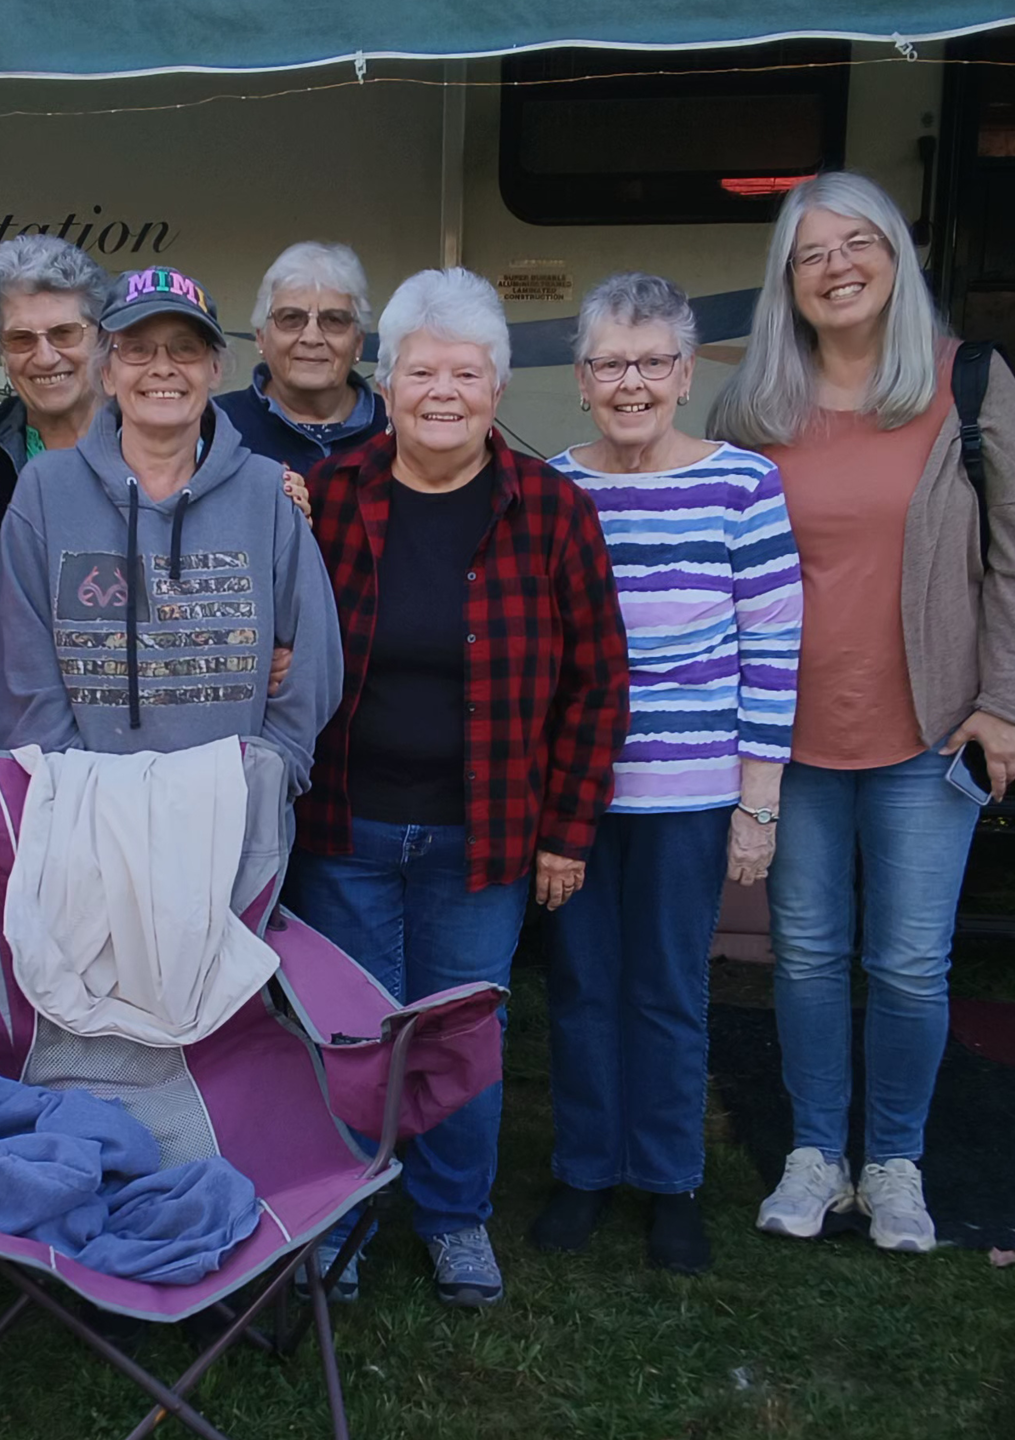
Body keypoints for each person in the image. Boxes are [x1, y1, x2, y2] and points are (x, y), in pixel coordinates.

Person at [707, 171, 1015, 1254]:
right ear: (788, 281)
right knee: (805, 954)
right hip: (788, 739)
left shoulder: (971, 384)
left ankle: (894, 1162)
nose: (837, 266)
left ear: (897, 259)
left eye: (860, 244)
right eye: (812, 253)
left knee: (908, 961)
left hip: (931, 727)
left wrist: (1008, 701)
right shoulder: (751, 407)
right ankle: (816, 1152)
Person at [288, 267, 632, 1309]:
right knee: (351, 1034)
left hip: (484, 836)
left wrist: (567, 832)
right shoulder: (328, 499)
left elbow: (598, 681)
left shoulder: (553, 510)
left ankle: (452, 1218)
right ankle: (343, 1220)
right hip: (344, 826)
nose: (445, 390)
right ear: (385, 383)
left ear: (497, 388)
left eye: (468, 372)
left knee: (460, 1035)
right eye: (423, 369)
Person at [534, 273, 803, 1275]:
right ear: (582, 379)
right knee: (580, 986)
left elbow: (774, 648)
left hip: (691, 795)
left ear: (686, 374)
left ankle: (669, 1178)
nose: (632, 382)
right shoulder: (555, 489)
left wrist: (756, 802)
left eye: (653, 362)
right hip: (581, 798)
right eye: (611, 363)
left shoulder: (744, 485)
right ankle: (584, 1168)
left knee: (669, 992)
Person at [0, 263, 342, 794]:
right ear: (107, 372)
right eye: (137, 349)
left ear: (215, 369)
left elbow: (315, 664)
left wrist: (265, 777)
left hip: (233, 820)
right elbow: (20, 680)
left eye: (184, 348)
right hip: (85, 824)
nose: (162, 367)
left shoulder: (267, 494)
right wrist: (84, 797)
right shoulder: (44, 492)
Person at [217, 241, 386, 477]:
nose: (312, 337)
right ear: (261, 338)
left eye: (334, 320)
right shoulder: (216, 424)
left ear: (358, 342)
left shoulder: (396, 428)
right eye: (291, 318)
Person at [0, 234, 111, 526]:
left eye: (64, 333)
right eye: (20, 338)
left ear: (101, 338)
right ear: (2, 350)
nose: (45, 358)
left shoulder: (147, 436)